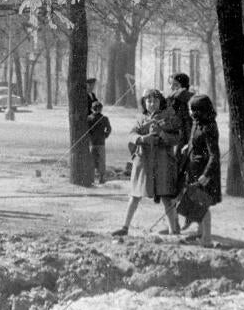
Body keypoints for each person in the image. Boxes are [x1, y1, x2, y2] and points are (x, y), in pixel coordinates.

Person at [112, 88, 181, 237]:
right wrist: (142, 139)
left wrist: (161, 133)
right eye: (148, 101)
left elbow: (176, 138)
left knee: (167, 197)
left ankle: (173, 231)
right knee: (134, 196)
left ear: (160, 102)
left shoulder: (169, 118)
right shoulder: (141, 119)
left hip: (162, 163)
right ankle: (125, 227)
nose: (152, 104)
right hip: (143, 163)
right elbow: (130, 135)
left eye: (155, 100)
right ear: (144, 103)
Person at [181, 94, 221, 247]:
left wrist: (207, 175)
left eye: (192, 109)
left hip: (204, 171)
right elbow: (195, 140)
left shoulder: (210, 126)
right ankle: (200, 233)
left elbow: (214, 155)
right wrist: (188, 146)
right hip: (194, 169)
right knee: (196, 202)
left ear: (201, 110)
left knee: (203, 204)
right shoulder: (197, 123)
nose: (190, 112)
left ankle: (207, 239)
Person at [167, 73, 193, 149]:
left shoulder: (186, 99)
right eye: (170, 84)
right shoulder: (171, 99)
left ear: (184, 87)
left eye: (175, 85)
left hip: (183, 138)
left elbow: (187, 123)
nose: (171, 87)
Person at [87, 101, 112, 184]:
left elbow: (87, 130)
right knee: (101, 161)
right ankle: (101, 178)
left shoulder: (89, 118)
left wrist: (90, 136)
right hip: (101, 142)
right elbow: (109, 129)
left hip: (92, 143)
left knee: (91, 160)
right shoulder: (104, 118)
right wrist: (105, 135)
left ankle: (91, 178)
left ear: (92, 109)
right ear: (101, 109)